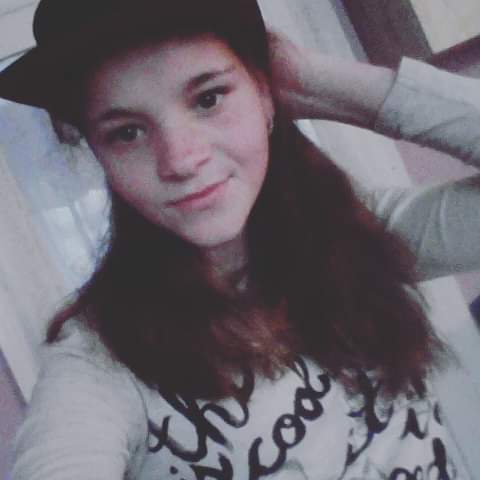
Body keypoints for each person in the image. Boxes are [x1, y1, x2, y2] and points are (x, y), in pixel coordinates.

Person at [1, 0, 479, 478]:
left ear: (265, 95)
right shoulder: (99, 363)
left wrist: (314, 80)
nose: (180, 160)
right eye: (127, 132)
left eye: (209, 99)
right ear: (99, 154)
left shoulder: (355, 232)